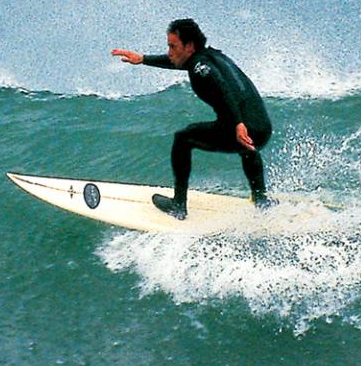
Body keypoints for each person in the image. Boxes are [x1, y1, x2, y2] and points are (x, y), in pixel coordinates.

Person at [110, 17, 273, 220]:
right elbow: (187, 65)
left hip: (244, 126)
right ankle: (261, 199)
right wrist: (143, 58)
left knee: (183, 138)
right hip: (262, 128)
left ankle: (178, 205)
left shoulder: (201, 67)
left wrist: (238, 124)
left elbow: (221, 86)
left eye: (172, 46)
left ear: (189, 46)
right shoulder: (213, 56)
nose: (169, 52)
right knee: (246, 147)